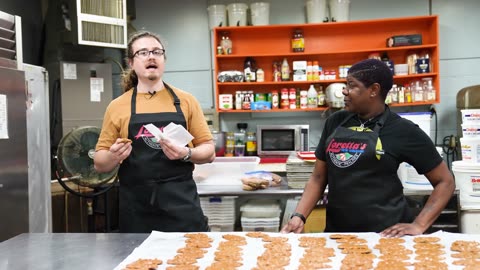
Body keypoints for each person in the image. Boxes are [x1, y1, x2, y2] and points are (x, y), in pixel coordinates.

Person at [281, 58, 455, 237]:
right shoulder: (335, 122)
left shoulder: (403, 130)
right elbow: (318, 178)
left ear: (374, 90)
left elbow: (445, 182)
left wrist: (419, 224)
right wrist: (299, 216)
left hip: (387, 236)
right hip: (338, 234)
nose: (344, 91)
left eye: (351, 85)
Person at [94, 30, 215, 233]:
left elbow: (209, 152)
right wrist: (113, 156)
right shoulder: (118, 106)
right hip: (136, 208)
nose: (151, 56)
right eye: (143, 52)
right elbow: (99, 163)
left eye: (157, 52)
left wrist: (187, 154)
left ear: (164, 59)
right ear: (131, 63)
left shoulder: (186, 101)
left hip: (181, 205)